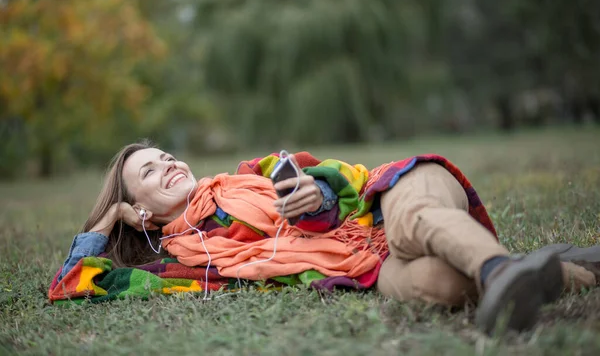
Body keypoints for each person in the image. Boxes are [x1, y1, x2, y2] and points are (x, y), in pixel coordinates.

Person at [56, 140, 599, 334]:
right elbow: (74, 282)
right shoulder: (184, 266)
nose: (168, 164)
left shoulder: (254, 172)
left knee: (412, 227)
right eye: (148, 173)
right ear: (141, 211)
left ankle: (501, 270)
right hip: (364, 268)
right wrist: (108, 223)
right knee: (439, 283)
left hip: (389, 202)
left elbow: (335, 177)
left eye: (165, 155)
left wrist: (318, 195)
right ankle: (560, 270)